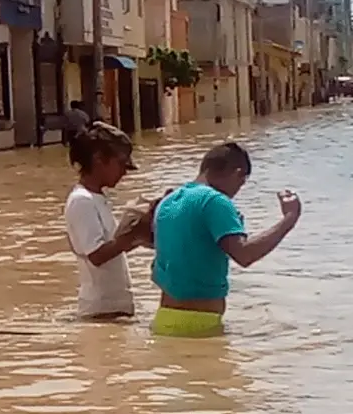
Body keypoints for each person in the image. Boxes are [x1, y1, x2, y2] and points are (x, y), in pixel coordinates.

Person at [151, 142, 302, 337]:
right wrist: (289, 218)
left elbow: (180, 252)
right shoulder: (215, 201)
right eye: (241, 183)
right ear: (238, 174)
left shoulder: (168, 201)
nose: (237, 191)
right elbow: (244, 255)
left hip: (164, 319)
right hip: (199, 325)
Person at [64, 122, 143, 319]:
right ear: (99, 159)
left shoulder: (98, 199)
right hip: (100, 311)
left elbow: (113, 249)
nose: (124, 172)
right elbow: (97, 255)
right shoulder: (82, 201)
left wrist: (141, 233)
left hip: (113, 310)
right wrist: (132, 233)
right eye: (121, 164)